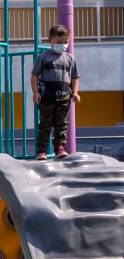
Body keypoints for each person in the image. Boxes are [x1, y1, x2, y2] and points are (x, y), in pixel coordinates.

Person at [31, 24, 81, 161]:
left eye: (66, 42)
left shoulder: (70, 59)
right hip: (47, 97)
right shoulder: (43, 58)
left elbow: (75, 77)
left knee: (62, 124)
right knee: (45, 124)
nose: (63, 45)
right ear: (50, 40)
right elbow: (34, 76)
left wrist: (75, 93)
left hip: (64, 97)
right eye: (59, 42)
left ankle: (59, 148)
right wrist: (35, 92)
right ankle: (41, 150)